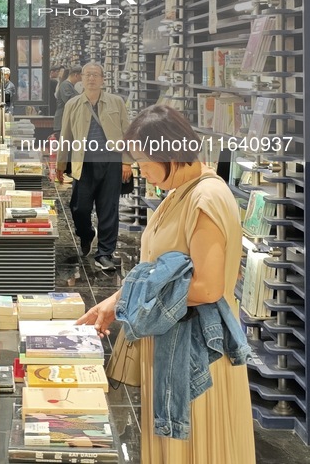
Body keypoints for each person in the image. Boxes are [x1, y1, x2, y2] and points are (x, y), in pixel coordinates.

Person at [76, 104, 255, 464]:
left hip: (196, 355)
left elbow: (207, 287)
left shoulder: (206, 197)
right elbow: (159, 271)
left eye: (144, 161)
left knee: (197, 450)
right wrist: (116, 301)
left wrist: (132, 301)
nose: (140, 170)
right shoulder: (181, 189)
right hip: (172, 341)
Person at [56, 62, 132, 271]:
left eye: (95, 75)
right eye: (87, 75)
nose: (91, 78)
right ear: (81, 77)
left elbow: (128, 132)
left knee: (109, 209)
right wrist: (61, 164)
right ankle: (87, 234)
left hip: (111, 161)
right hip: (84, 162)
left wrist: (127, 161)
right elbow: (66, 136)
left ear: (102, 79)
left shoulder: (116, 103)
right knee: (79, 207)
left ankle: (105, 253)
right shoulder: (73, 104)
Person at [53, 66, 82, 136]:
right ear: (76, 75)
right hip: (62, 120)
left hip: (67, 120)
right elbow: (70, 100)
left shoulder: (70, 86)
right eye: (82, 75)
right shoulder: (65, 85)